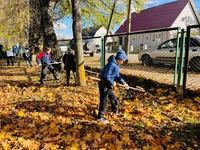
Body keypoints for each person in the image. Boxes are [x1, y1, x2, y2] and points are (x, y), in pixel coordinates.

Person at [97, 49, 129, 124]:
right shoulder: (111, 64)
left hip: (108, 84)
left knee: (113, 97)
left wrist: (124, 83)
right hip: (103, 84)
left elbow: (117, 75)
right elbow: (106, 76)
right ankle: (100, 117)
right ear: (119, 59)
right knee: (104, 100)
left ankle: (115, 111)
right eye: (123, 60)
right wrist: (112, 82)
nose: (123, 61)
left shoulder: (116, 64)